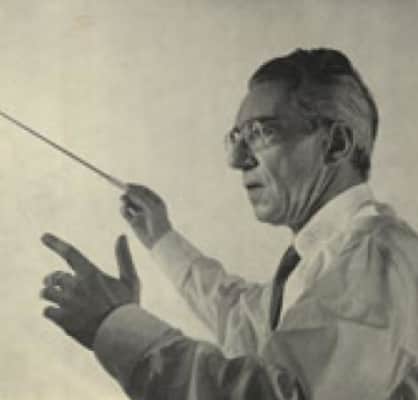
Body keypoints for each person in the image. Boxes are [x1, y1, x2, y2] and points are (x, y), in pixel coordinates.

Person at [40, 48, 418, 399]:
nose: (237, 160)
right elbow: (244, 321)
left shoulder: (379, 255)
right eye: (237, 138)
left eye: (261, 132)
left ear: (335, 144)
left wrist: (115, 324)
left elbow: (275, 394)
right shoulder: (340, 255)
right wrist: (160, 237)